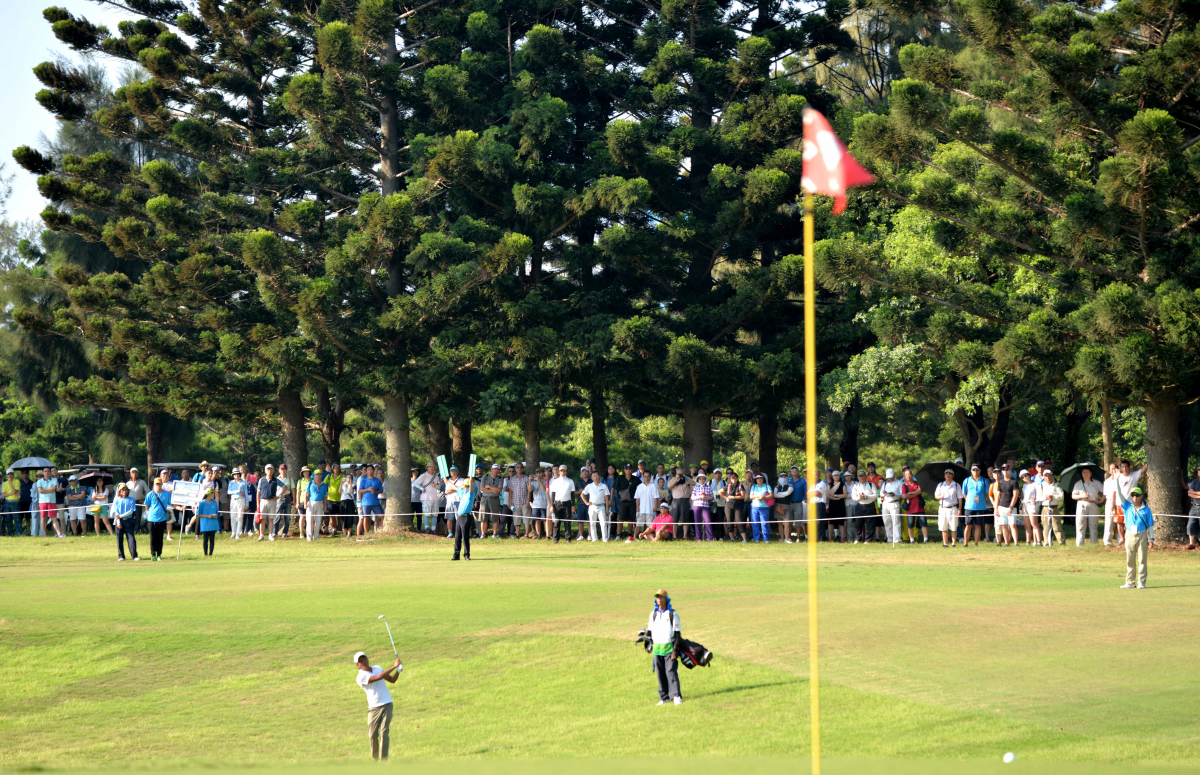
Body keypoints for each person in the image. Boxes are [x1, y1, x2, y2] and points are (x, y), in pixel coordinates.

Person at [354, 651, 402, 761]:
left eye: (364, 658)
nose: (363, 661)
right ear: (358, 665)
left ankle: (383, 761)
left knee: (384, 733)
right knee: (372, 735)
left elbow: (392, 680)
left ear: (367, 659)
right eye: (360, 661)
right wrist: (394, 666)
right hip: (374, 708)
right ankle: (375, 760)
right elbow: (379, 677)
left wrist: (398, 671)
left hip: (387, 704)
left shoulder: (377, 668)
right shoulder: (360, 677)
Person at [647, 590, 682, 705]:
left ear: (666, 599)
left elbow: (677, 634)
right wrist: (648, 646)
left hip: (669, 649)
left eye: (661, 597)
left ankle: (676, 696)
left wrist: (675, 650)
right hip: (657, 649)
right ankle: (664, 697)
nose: (659, 599)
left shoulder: (672, 614)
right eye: (657, 597)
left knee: (670, 672)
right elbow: (649, 632)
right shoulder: (653, 615)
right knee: (660, 673)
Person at [1120, 486, 1153, 589]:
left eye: (1136, 495)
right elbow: (1119, 495)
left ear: (1141, 496)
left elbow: (1150, 525)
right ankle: (1130, 582)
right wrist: (1116, 480)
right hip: (1130, 534)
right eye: (1133, 495)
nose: (1134, 497)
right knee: (1130, 559)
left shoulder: (1146, 510)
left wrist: (1151, 539)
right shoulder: (1128, 506)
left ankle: (1141, 582)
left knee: (1142, 560)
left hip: (1142, 534)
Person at [143, 476, 173, 560]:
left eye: (159, 484)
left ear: (162, 484)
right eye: (156, 484)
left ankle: (159, 554)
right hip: (151, 519)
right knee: (153, 538)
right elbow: (147, 506)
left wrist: (180, 507)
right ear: (154, 484)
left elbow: (171, 503)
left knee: (160, 538)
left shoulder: (167, 494)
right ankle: (153, 555)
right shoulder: (150, 494)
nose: (158, 486)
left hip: (162, 519)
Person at [1072, 467, 1104, 546]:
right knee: (1080, 525)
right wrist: (1081, 495)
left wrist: (1101, 500)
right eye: (1084, 472)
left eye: (1087, 472)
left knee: (1093, 525)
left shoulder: (1096, 483)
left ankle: (1094, 544)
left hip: (1093, 504)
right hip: (1082, 503)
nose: (1085, 474)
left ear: (1091, 474)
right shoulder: (1078, 483)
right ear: (1081, 474)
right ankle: (1079, 544)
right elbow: (1073, 496)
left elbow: (1104, 492)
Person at [961, 464, 988, 547]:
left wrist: (982, 501)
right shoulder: (967, 480)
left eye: (977, 470)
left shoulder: (983, 480)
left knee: (978, 526)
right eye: (973, 470)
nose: (975, 472)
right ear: (971, 471)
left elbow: (986, 494)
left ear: (980, 471)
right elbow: (964, 493)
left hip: (980, 507)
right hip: (969, 507)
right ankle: (966, 543)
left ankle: (976, 543)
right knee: (968, 525)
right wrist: (969, 501)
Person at [934, 469, 963, 547]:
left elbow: (960, 498)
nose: (948, 475)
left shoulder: (956, 485)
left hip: (953, 508)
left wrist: (960, 509)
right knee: (944, 526)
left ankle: (954, 543)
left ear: (953, 475)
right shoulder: (940, 485)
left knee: (954, 526)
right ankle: (945, 543)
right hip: (943, 508)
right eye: (946, 473)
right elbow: (936, 496)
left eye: (950, 473)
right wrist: (941, 496)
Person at [582, 469, 612, 542]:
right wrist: (586, 502)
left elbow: (606, 497)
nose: (595, 477)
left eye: (596, 476)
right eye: (593, 476)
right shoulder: (589, 486)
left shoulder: (604, 486)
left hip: (601, 506)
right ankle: (594, 538)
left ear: (599, 477)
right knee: (592, 523)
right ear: (591, 478)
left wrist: (607, 508)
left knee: (603, 523)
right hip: (592, 506)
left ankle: (604, 538)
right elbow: (582, 494)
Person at [994, 465, 1020, 547]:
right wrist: (996, 508)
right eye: (1003, 469)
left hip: (1012, 507)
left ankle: (1016, 543)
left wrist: (1011, 507)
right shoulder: (1000, 482)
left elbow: (1015, 495)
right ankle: (1006, 543)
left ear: (1010, 470)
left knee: (1013, 525)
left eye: (1007, 469)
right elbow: (998, 496)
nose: (1005, 471)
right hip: (1002, 506)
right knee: (1004, 526)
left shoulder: (1014, 481)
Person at [549, 465, 576, 543]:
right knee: (557, 522)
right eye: (561, 471)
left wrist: (573, 505)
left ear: (566, 471)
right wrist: (552, 505)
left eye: (564, 471)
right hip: (557, 503)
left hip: (567, 503)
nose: (562, 472)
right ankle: (556, 538)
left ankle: (568, 538)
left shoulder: (570, 481)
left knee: (567, 522)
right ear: (559, 472)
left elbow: (572, 494)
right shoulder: (555, 481)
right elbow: (553, 494)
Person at [257, 464, 284, 541]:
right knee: (263, 519)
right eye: (268, 469)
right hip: (263, 501)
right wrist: (258, 504)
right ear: (265, 471)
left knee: (271, 519)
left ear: (273, 471)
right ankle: (261, 535)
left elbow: (285, 487)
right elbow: (258, 492)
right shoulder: (261, 480)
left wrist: (279, 496)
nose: (269, 471)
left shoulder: (276, 480)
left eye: (271, 469)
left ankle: (270, 535)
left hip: (272, 501)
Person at [111, 483, 138, 561]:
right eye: (122, 489)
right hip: (119, 521)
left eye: (125, 489)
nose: (124, 491)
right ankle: (121, 556)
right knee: (119, 539)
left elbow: (131, 511)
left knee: (131, 538)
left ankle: (134, 555)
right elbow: (116, 512)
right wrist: (118, 521)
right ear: (120, 491)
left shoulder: (131, 499)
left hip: (128, 521)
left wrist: (120, 516)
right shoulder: (117, 500)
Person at [849, 470, 877, 544]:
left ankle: (868, 539)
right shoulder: (855, 486)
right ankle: (858, 538)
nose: (861, 478)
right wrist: (860, 497)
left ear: (865, 477)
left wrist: (868, 496)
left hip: (870, 506)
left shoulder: (871, 484)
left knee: (870, 524)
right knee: (858, 524)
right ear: (858, 477)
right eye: (860, 476)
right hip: (860, 506)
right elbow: (853, 497)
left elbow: (875, 495)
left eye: (863, 476)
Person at [1039, 469, 1065, 546]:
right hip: (1045, 507)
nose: (1048, 477)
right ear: (1043, 477)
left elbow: (1061, 497)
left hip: (1054, 508)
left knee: (1057, 526)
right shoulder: (1041, 486)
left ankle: (1061, 542)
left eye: (1049, 475)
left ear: (1052, 475)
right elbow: (1038, 497)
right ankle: (1047, 543)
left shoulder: (1057, 485)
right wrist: (1046, 497)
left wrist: (1053, 497)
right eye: (1046, 476)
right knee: (1046, 526)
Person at [900, 468, 927, 543]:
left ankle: (926, 539)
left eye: (909, 474)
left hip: (919, 507)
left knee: (923, 524)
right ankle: (911, 540)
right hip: (910, 508)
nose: (908, 476)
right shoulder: (904, 486)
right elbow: (904, 496)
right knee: (910, 525)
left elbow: (920, 492)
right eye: (906, 475)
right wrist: (915, 493)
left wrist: (910, 493)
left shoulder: (918, 483)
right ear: (904, 476)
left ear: (912, 475)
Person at [358, 465, 383, 540]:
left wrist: (374, 492)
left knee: (382, 516)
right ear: (366, 471)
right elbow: (359, 491)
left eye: (371, 469)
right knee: (366, 518)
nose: (369, 471)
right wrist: (367, 489)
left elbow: (381, 490)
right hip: (366, 503)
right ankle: (367, 534)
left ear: (373, 471)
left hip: (375, 502)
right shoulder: (363, 480)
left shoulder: (377, 480)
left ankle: (381, 531)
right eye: (368, 470)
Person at [879, 469, 903, 546]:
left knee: (896, 521)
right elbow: (881, 494)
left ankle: (897, 538)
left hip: (894, 503)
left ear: (894, 474)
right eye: (888, 477)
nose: (890, 479)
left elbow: (902, 495)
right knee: (886, 521)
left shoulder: (899, 483)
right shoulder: (885, 483)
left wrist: (894, 494)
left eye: (891, 477)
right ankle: (890, 538)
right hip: (886, 503)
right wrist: (883, 493)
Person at [478, 463, 503, 539]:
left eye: (497, 469)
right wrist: (493, 490)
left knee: (495, 518)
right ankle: (483, 534)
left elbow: (498, 490)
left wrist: (489, 487)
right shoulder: (485, 477)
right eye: (494, 468)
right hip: (484, 499)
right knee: (483, 518)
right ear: (491, 469)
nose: (496, 470)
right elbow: (482, 488)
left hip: (494, 499)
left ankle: (494, 535)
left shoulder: (500, 478)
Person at [668, 467, 692, 540]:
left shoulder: (687, 479)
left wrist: (685, 477)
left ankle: (685, 536)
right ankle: (674, 536)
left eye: (682, 473)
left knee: (685, 519)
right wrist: (676, 479)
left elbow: (693, 483)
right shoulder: (673, 479)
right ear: (676, 473)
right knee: (675, 519)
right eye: (679, 473)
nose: (681, 474)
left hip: (685, 500)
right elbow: (669, 486)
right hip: (676, 501)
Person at [634, 471, 659, 540]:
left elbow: (656, 497)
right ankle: (634, 537)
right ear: (643, 477)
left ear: (650, 477)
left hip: (650, 509)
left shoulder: (653, 486)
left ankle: (649, 538)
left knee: (649, 526)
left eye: (648, 476)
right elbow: (637, 498)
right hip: (641, 509)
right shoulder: (639, 486)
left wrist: (655, 506)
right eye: (645, 476)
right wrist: (637, 507)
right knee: (638, 524)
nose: (647, 478)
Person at [614, 463, 636, 541]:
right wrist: (611, 499)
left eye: (630, 469)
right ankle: (618, 535)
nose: (628, 470)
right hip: (622, 501)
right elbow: (613, 488)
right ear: (624, 470)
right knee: (621, 518)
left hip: (632, 501)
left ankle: (629, 535)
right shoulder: (619, 478)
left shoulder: (635, 479)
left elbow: (641, 487)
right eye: (626, 468)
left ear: (632, 470)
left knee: (631, 519)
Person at [690, 472, 714, 541]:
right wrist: (700, 497)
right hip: (696, 505)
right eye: (700, 479)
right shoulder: (695, 487)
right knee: (697, 522)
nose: (702, 480)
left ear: (705, 480)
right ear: (698, 480)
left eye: (703, 479)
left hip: (705, 505)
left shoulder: (708, 487)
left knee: (708, 521)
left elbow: (712, 497)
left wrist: (706, 498)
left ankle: (710, 538)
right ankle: (698, 538)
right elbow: (692, 497)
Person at [197, 487, 221, 556]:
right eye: (212, 493)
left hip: (213, 524)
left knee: (212, 539)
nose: (214, 494)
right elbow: (198, 514)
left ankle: (210, 554)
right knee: (205, 540)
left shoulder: (214, 502)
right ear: (209, 494)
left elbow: (216, 512)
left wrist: (215, 516)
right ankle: (205, 554)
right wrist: (207, 516)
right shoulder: (202, 503)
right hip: (205, 525)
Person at [748, 473, 771, 542]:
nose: (759, 479)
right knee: (755, 523)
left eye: (761, 478)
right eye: (758, 478)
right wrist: (757, 497)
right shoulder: (754, 487)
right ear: (756, 480)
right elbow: (750, 497)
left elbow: (771, 496)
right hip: (754, 507)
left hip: (765, 507)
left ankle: (766, 539)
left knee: (764, 524)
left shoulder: (767, 486)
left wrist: (764, 497)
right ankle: (756, 539)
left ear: (763, 479)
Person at [306, 469, 328, 541]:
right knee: (309, 520)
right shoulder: (310, 483)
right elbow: (306, 494)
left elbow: (325, 496)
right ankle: (309, 537)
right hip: (311, 502)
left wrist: (325, 506)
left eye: (320, 474)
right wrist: (306, 503)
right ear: (314, 475)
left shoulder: (324, 485)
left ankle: (316, 537)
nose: (318, 476)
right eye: (317, 474)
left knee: (318, 521)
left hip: (320, 503)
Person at [125, 467, 149, 534]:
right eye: (132, 473)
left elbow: (147, 491)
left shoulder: (142, 482)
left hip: (138, 502)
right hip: (129, 502)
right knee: (129, 516)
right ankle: (129, 530)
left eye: (135, 472)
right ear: (130, 474)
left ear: (137, 474)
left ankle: (137, 530)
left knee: (138, 517)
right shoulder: (128, 483)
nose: (134, 474)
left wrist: (144, 499)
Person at [227, 469, 249, 539]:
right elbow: (229, 492)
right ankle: (233, 532)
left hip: (241, 500)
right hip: (233, 500)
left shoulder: (243, 483)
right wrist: (237, 491)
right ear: (233, 475)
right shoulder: (231, 482)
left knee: (240, 517)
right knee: (232, 517)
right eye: (235, 474)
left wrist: (247, 504)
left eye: (237, 474)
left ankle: (238, 533)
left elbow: (246, 493)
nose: (236, 475)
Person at [773, 474, 793, 543]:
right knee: (780, 523)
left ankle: (787, 538)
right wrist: (785, 494)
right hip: (778, 505)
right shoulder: (777, 486)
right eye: (781, 477)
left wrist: (780, 494)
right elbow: (775, 495)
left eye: (785, 477)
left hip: (787, 505)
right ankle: (782, 538)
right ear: (779, 478)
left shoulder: (790, 485)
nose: (783, 478)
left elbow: (788, 493)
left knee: (787, 523)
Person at [529, 467, 548, 539]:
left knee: (545, 520)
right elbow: (530, 490)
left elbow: (544, 489)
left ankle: (547, 534)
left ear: (543, 473)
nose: (539, 474)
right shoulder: (533, 482)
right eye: (537, 473)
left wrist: (540, 481)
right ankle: (539, 534)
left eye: (540, 472)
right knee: (537, 520)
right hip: (536, 504)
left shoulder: (545, 481)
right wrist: (530, 481)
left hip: (544, 504)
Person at [2, 470, 21, 537]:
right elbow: (3, 494)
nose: (10, 476)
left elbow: (15, 491)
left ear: (13, 474)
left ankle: (20, 533)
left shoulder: (17, 481)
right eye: (8, 474)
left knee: (17, 519)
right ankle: (10, 533)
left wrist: (10, 483)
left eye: (11, 474)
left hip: (15, 502)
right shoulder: (4, 484)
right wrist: (11, 494)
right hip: (7, 502)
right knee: (8, 519)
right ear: (6, 475)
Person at [1187, 466, 1200, 550]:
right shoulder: (1195, 482)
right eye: (1199, 470)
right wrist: (1197, 494)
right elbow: (1189, 493)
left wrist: (1194, 493)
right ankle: (1191, 544)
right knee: (1190, 525)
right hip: (1195, 506)